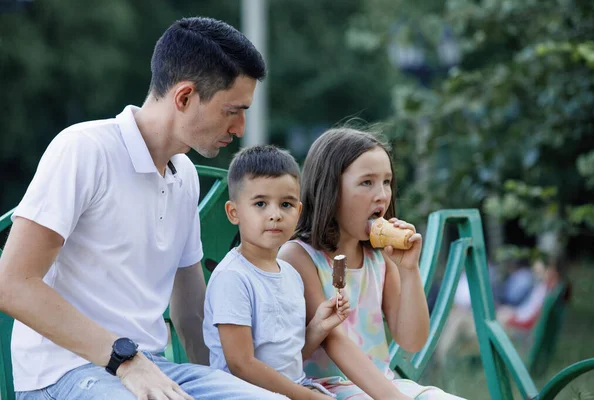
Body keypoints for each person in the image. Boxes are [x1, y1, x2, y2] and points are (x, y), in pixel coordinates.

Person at [0, 16, 287, 400]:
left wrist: (220, 385)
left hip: (154, 369)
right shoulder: (85, 149)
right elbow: (12, 283)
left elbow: (189, 311)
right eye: (232, 110)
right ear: (184, 97)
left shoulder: (184, 175)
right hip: (64, 375)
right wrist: (126, 360)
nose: (240, 128)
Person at [279, 127, 464, 399]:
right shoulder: (298, 257)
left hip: (381, 384)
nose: (382, 195)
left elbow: (412, 340)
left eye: (387, 182)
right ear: (330, 189)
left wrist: (409, 269)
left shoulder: (379, 259)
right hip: (323, 388)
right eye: (367, 182)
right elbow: (334, 339)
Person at [203, 145, 351, 400]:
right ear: (234, 212)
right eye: (260, 203)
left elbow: (287, 359)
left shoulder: (291, 275)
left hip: (293, 388)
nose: (275, 215)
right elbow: (241, 364)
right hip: (243, 394)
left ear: (299, 212)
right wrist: (308, 398)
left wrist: (318, 327)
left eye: (286, 204)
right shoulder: (234, 277)